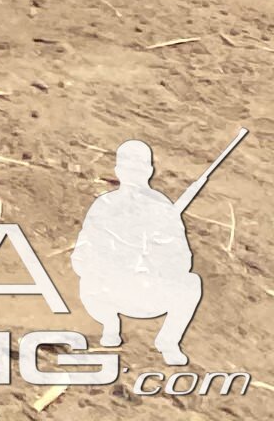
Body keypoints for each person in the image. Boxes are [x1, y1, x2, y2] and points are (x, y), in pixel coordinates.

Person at [72, 140, 205, 365]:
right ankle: (110, 325)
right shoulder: (104, 205)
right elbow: (82, 253)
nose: (133, 174)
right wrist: (111, 261)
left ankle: (169, 342)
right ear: (117, 171)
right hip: (110, 290)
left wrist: (157, 255)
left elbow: (182, 259)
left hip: (149, 291)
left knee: (191, 283)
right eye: (127, 167)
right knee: (88, 282)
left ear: (149, 171)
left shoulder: (163, 209)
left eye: (139, 168)